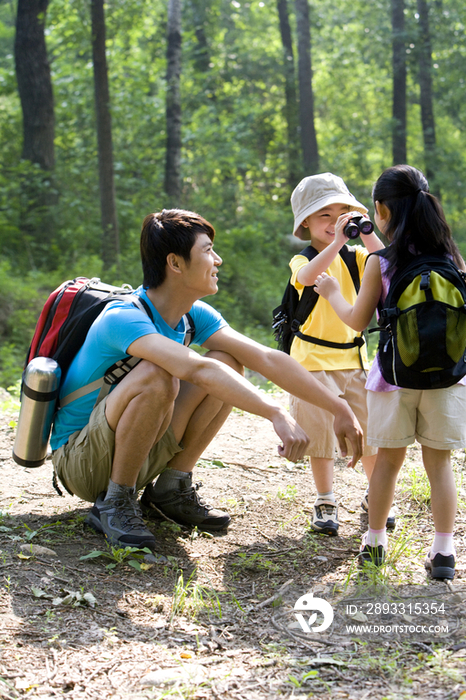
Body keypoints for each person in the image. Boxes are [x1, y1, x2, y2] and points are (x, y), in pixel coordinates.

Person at [51, 208, 363, 552]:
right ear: (175, 263)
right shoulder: (123, 317)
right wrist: (276, 412)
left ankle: (171, 488)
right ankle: (116, 501)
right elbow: (196, 370)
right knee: (158, 376)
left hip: (131, 447)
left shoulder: (192, 316)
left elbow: (265, 357)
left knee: (229, 361)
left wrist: (338, 407)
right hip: (81, 462)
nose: (218, 260)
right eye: (207, 250)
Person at [314, 164, 466, 579]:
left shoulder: (378, 263)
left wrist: (330, 292)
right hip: (448, 378)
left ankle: (375, 542)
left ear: (381, 210)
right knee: (440, 466)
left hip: (393, 379)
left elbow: (357, 321)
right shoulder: (452, 258)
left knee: (387, 465)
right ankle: (444, 553)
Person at [287, 172, 387, 536]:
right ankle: (326, 499)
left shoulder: (357, 257)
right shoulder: (304, 259)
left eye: (341, 214)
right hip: (312, 363)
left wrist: (363, 231)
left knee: (370, 435)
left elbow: (386, 260)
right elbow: (310, 276)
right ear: (306, 224)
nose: (334, 223)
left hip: (353, 361)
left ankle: (377, 493)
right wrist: (336, 243)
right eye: (324, 216)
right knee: (321, 439)